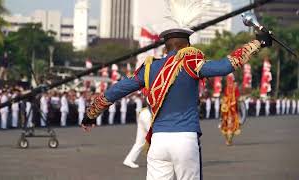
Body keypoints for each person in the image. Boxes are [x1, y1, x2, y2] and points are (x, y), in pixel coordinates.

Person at [81, 27, 272, 179]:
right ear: (187, 46)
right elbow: (225, 65)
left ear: (165, 48)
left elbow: (117, 89)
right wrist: (258, 42)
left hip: (158, 142)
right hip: (185, 139)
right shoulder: (190, 62)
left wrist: (90, 115)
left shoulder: (149, 67)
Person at [220, 74, 241, 146]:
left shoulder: (229, 88)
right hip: (231, 109)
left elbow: (225, 97)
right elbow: (237, 98)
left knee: (227, 124)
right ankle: (229, 140)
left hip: (228, 109)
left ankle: (228, 140)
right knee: (231, 124)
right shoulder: (234, 88)